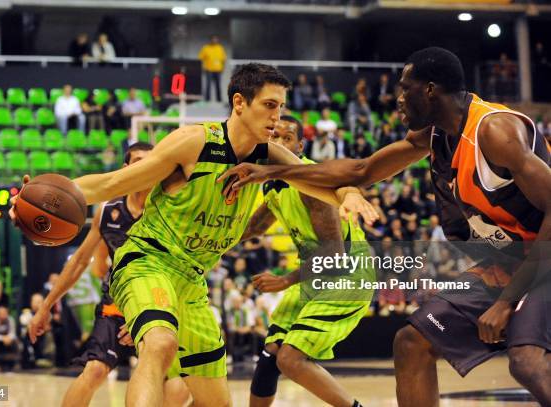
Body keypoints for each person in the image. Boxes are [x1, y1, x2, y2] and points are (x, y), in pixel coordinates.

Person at [11, 63, 374, 406]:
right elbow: (109, 183)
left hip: (192, 281)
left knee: (215, 399)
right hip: (148, 261)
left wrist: (351, 193)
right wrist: (43, 197)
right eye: (268, 105)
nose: (276, 117)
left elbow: (324, 179)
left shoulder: (270, 157)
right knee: (160, 342)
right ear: (239, 103)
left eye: (280, 107)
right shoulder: (193, 142)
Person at [220, 47, 551, 406]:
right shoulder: (437, 136)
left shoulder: (494, 131)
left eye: (404, 88)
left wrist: (505, 302)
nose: (396, 99)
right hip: (507, 262)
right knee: (412, 342)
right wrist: (274, 170)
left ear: (429, 89)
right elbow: (363, 171)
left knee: (526, 362)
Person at [28, 142, 189, 407]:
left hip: (161, 302)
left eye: (150, 162)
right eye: (137, 161)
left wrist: (147, 314)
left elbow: (185, 265)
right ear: (125, 169)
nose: (144, 167)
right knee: (94, 370)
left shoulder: (170, 209)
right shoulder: (108, 210)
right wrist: (45, 306)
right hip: (116, 304)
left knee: (175, 385)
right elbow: (81, 262)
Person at [242, 116, 373, 407]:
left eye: (285, 139)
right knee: (271, 353)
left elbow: (334, 255)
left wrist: (285, 280)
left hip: (347, 274)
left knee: (290, 358)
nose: (276, 143)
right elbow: (255, 227)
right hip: (316, 273)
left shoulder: (311, 183)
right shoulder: (274, 182)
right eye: (273, 137)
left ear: (299, 146)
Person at [198, 35, 227, 102]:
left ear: (217, 40)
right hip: (209, 69)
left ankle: (219, 100)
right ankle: (207, 100)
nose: (214, 40)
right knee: (208, 85)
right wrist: (202, 68)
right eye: (213, 39)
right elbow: (200, 59)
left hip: (218, 70)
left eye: (216, 39)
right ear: (210, 40)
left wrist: (223, 68)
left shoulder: (220, 48)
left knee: (218, 85)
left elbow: (223, 59)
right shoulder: (206, 48)